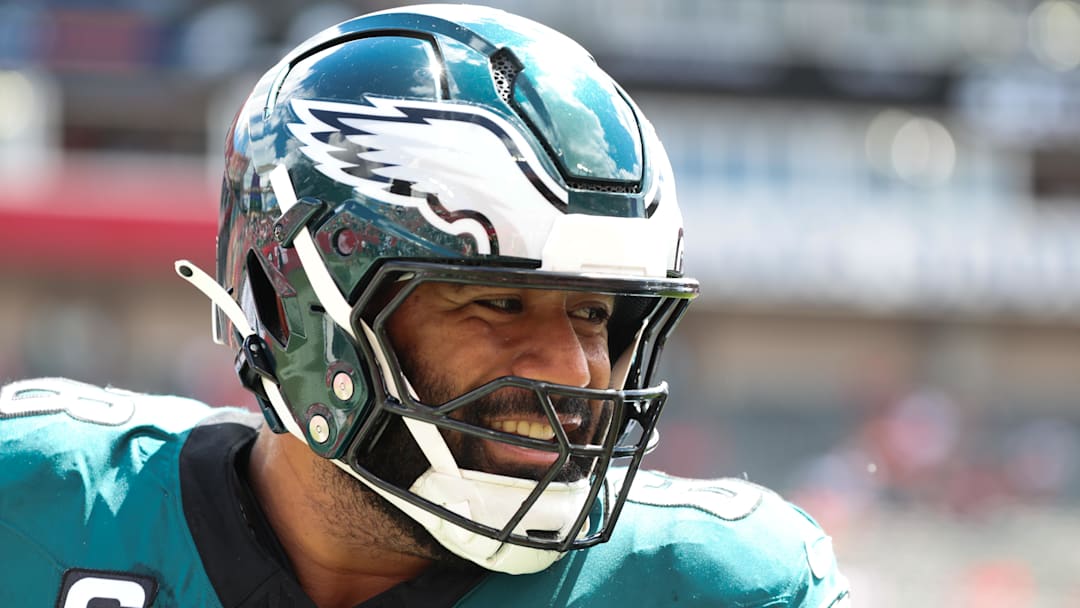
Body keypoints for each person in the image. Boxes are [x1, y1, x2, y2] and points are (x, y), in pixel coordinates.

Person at [0, 5, 851, 607]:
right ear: (298, 310)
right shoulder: (36, 498)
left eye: (596, 315)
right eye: (499, 302)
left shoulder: (725, 588)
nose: (578, 369)